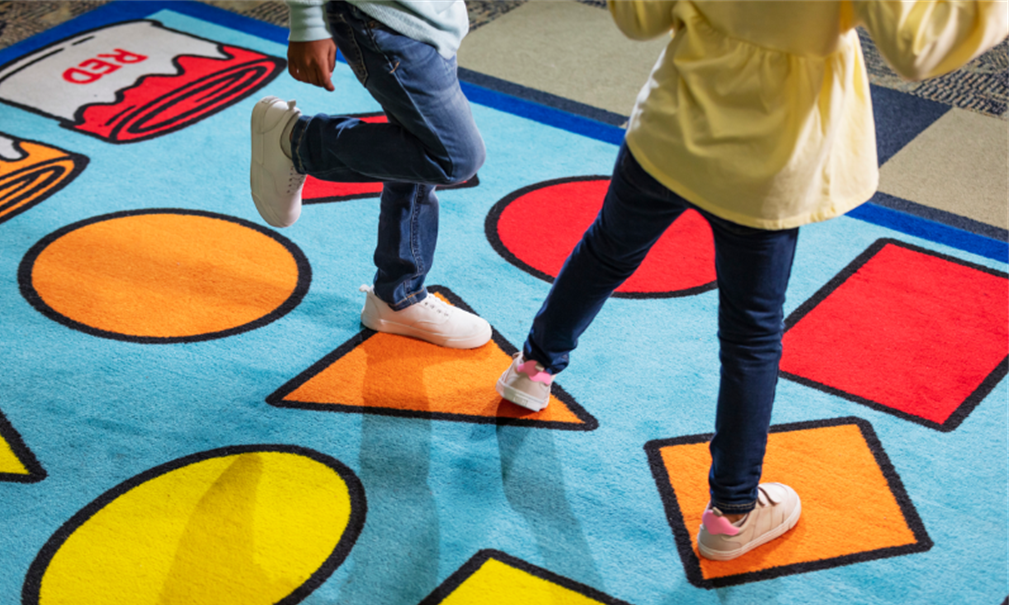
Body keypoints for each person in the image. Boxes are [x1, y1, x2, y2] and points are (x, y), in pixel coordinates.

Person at [495, 0, 1007, 561]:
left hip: (671, 128)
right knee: (750, 335)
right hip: (767, 162)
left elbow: (638, 19)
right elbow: (916, 48)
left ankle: (534, 366)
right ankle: (731, 514)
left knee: (606, 251)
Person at [250, 0, 490, 349]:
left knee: (413, 148)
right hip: (385, 20)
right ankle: (299, 143)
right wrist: (308, 20)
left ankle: (398, 296)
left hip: (430, 19)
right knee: (454, 157)